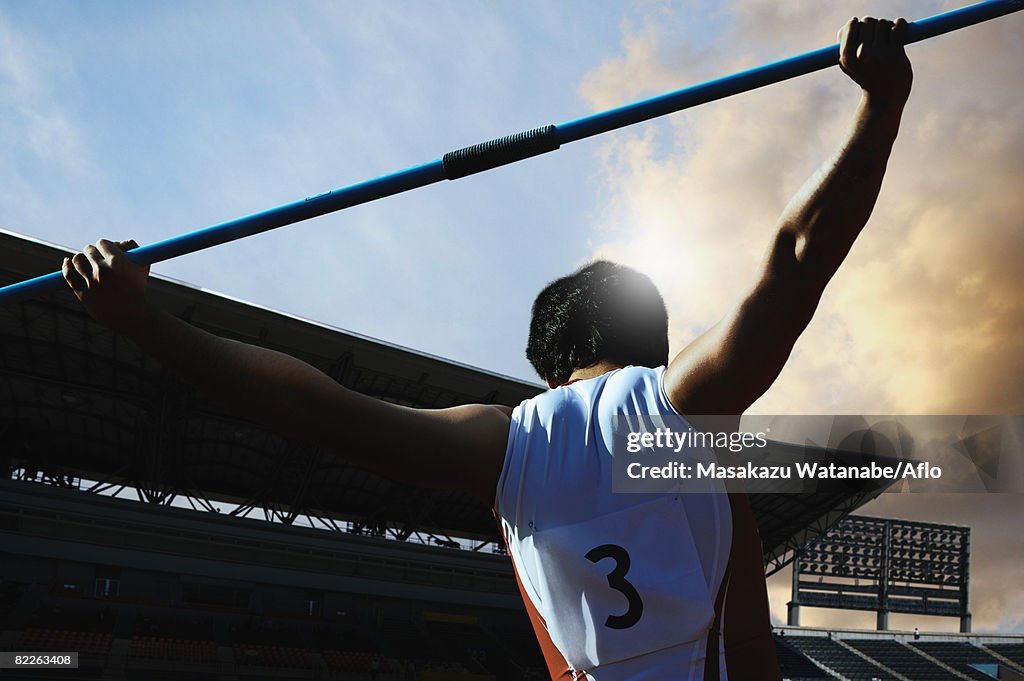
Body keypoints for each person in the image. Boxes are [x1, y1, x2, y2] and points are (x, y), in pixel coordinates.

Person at [61, 16, 912, 681]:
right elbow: (799, 256)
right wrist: (881, 104)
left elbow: (305, 404)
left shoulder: (507, 444)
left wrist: (140, 321)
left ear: (546, 366)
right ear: (655, 344)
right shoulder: (684, 406)